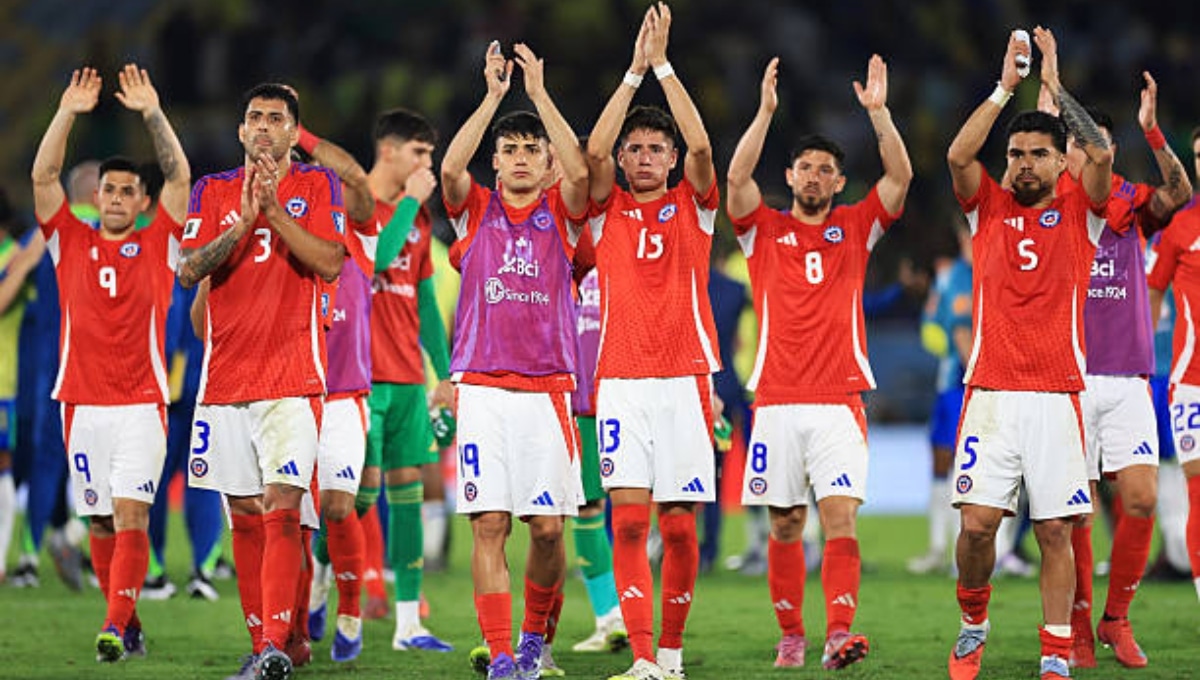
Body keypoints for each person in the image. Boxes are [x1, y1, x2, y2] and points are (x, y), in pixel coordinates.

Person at [726, 50, 912, 670]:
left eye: (824, 169)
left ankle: (837, 634)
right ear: (791, 174)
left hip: (839, 401)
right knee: (784, 525)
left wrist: (880, 117)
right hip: (775, 398)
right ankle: (791, 636)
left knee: (839, 521)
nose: (812, 176)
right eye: (804, 167)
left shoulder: (859, 227)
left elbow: (901, 179)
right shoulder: (762, 230)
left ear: (839, 183)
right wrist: (764, 111)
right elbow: (734, 182)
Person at [944, 27, 1114, 680]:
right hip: (990, 393)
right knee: (979, 526)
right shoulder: (986, 207)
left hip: (1056, 395)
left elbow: (1098, 152)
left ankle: (1053, 652)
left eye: (1037, 154)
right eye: (1015, 154)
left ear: (1056, 160)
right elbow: (960, 156)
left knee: (1054, 532)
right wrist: (1004, 88)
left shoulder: (1081, 211)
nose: (1022, 165)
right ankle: (973, 621)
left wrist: (1055, 84)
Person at [179, 82, 346, 680]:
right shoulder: (212, 189)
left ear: (293, 132)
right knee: (245, 514)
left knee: (282, 507)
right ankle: (265, 645)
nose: (264, 127)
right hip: (224, 377)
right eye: (254, 118)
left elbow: (330, 262)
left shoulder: (317, 186)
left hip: (293, 375)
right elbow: (189, 268)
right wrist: (245, 221)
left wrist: (275, 213)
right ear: (241, 131)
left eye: (277, 118)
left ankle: (276, 640)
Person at [30, 64, 190, 661]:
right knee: (100, 521)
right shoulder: (68, 240)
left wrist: (151, 113)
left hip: (142, 404)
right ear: (96, 197)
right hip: (80, 405)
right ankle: (127, 619)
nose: (118, 198)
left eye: (128, 191)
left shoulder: (160, 243)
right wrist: (67, 111)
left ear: (143, 201)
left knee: (131, 515)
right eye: (109, 189)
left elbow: (181, 175)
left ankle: (114, 627)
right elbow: (43, 174)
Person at [440, 39, 588, 680]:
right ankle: (502, 655)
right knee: (491, 523)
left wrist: (539, 96)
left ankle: (534, 640)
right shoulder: (474, 210)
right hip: (481, 389)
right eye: (510, 150)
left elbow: (583, 173)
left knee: (550, 530)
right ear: (495, 161)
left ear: (546, 160)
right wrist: (494, 98)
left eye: (533, 150)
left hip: (549, 389)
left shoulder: (564, 211)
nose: (521, 158)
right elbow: (449, 172)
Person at [584, 6, 721, 679]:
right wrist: (633, 72)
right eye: (634, 149)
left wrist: (665, 68)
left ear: (670, 161)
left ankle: (671, 654)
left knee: (679, 528)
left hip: (686, 381)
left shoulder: (695, 204)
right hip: (620, 383)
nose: (642, 157)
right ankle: (643, 659)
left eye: (653, 150)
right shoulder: (606, 207)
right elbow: (590, 153)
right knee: (630, 524)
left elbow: (702, 149)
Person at [1041, 74, 1192, 669]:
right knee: (1071, 510)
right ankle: (1075, 627)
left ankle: (1115, 619)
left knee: (1141, 497)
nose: (1088, 150)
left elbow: (1178, 189)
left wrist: (1152, 128)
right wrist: (1045, 89)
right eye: (1078, 141)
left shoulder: (1130, 202)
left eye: (1097, 142)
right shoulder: (1046, 203)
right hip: (1068, 379)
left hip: (1128, 377)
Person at [295, 107, 451, 658]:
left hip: (407, 377)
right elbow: (378, 259)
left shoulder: (420, 216)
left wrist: (446, 372)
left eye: (429, 155)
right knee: (351, 503)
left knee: (408, 495)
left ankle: (409, 623)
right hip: (360, 379)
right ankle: (320, 579)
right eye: (419, 152)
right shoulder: (352, 207)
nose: (426, 164)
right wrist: (411, 200)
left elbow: (424, 299)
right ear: (388, 151)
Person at [1147, 126, 1200, 610]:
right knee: (1195, 489)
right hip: (1190, 383)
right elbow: (1153, 292)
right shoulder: (1180, 228)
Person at [909, 227, 972, 575]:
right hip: (957, 384)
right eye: (964, 238)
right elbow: (941, 329)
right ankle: (940, 548)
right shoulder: (955, 277)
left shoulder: (995, 268)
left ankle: (996, 551)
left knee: (990, 467)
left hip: (988, 383)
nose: (969, 244)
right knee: (944, 461)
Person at [0, 189, 44, 584]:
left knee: (4, 466)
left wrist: (26, 261)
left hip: (3, 384)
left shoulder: (13, 256)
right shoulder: (19, 257)